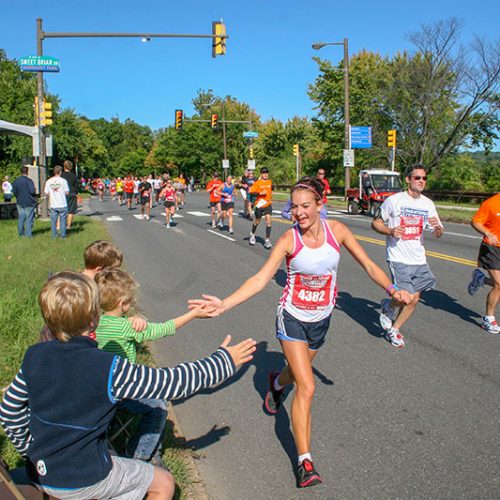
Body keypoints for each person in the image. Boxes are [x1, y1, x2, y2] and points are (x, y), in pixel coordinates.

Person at [189, 177, 410, 488]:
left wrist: (392, 289)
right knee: (306, 386)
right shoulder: (289, 240)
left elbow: (369, 266)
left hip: (322, 319)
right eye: (294, 207)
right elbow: (261, 279)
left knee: (294, 374)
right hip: (292, 318)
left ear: (320, 205)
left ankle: (277, 383)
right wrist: (224, 304)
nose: (299, 213)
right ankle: (305, 462)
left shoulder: (339, 232)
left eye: (305, 206)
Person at [0, 271, 256, 500]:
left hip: (42, 471)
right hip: (84, 477)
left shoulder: (34, 356)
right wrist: (223, 361)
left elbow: (9, 410)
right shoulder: (107, 366)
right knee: (164, 483)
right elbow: (171, 383)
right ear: (93, 319)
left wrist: (30, 449)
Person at [94, 268, 212, 464]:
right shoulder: (125, 328)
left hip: (101, 389)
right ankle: (141, 456)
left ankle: (140, 444)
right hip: (121, 391)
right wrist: (193, 315)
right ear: (122, 304)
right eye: (130, 301)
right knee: (159, 406)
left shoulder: (96, 322)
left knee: (156, 397)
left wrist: (136, 319)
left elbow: (126, 323)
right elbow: (162, 329)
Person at [372, 164, 444, 348]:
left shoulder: (428, 204)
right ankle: (390, 305)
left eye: (424, 178)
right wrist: (390, 230)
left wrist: (437, 229)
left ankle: (394, 328)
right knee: (407, 298)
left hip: (419, 259)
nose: (421, 181)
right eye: (417, 178)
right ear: (408, 180)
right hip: (399, 258)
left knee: (414, 299)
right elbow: (376, 223)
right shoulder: (394, 201)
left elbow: (438, 232)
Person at [467, 193, 500, 333]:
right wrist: (488, 233)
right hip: (492, 247)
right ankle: (488, 318)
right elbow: (475, 221)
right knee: (499, 284)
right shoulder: (491, 203)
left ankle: (481, 279)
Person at [249, 167, 273, 249]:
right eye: (263, 173)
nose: (265, 174)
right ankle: (252, 234)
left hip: (268, 204)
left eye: (266, 172)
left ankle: (267, 240)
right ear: (261, 174)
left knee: (268, 220)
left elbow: (270, 191)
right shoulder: (257, 183)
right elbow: (251, 193)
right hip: (259, 204)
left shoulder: (270, 182)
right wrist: (260, 193)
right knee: (257, 221)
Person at [44, 165, 70, 239]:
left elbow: (46, 192)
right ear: (60, 172)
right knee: (63, 221)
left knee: (53, 221)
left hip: (53, 204)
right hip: (62, 203)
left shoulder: (48, 181)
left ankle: (54, 235)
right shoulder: (63, 181)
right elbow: (67, 192)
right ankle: (63, 235)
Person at [11, 166, 37, 238]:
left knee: (21, 218)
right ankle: (28, 235)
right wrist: (35, 190)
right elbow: (32, 191)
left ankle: (21, 234)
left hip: (20, 202)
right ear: (27, 172)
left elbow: (14, 191)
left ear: (21, 171)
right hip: (29, 202)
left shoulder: (16, 181)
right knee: (29, 219)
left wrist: (18, 197)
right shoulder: (29, 181)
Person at [60, 160, 79, 231]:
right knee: (71, 210)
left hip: (63, 193)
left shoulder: (61, 175)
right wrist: (76, 193)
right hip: (72, 193)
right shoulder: (74, 176)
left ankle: (61, 223)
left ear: (64, 167)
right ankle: (68, 225)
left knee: (62, 209)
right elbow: (76, 186)